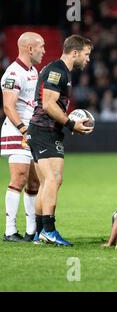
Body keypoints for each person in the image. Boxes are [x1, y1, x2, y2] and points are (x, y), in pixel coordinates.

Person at [27, 35, 94, 246]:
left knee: (47, 182)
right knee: (54, 180)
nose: (88, 59)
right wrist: (70, 123)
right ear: (75, 53)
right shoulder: (58, 70)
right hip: (44, 131)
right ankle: (49, 230)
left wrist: (66, 122)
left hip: (43, 131)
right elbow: (48, 104)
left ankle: (40, 233)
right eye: (86, 54)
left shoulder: (61, 70)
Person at [1, 32, 45, 242]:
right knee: (18, 178)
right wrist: (23, 130)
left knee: (34, 182)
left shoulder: (33, 71)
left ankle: (31, 230)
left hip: (31, 130)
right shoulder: (13, 73)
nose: (44, 51)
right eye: (41, 47)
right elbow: (8, 106)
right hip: (17, 131)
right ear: (29, 48)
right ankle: (9, 231)